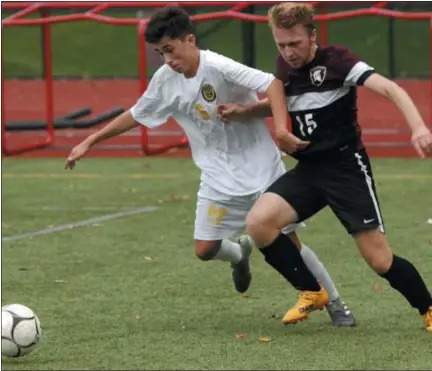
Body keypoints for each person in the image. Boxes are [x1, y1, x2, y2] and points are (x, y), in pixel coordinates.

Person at [64, 5, 356, 327]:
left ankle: (337, 306)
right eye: (161, 53)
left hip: (261, 170)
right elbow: (137, 113)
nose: (168, 60)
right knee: (204, 249)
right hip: (218, 177)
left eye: (171, 50)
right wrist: (92, 139)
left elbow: (273, 84)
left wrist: (281, 130)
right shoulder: (165, 79)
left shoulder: (217, 65)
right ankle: (239, 254)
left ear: (190, 40)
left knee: (289, 241)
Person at [218, 2, 432, 332]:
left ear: (312, 36)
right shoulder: (284, 66)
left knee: (379, 260)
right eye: (281, 45)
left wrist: (418, 127)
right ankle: (312, 292)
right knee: (260, 223)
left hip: (346, 169)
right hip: (309, 171)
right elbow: (283, 102)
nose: (288, 52)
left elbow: (391, 88)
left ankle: (428, 307)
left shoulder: (337, 60)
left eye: (295, 44)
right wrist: (243, 111)